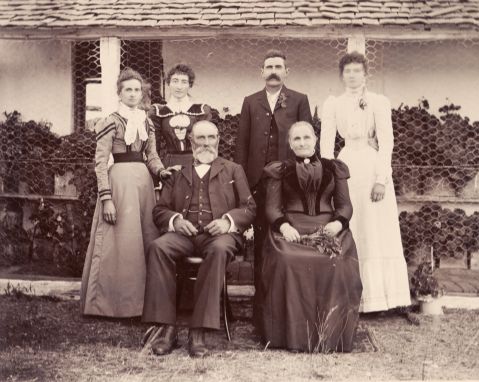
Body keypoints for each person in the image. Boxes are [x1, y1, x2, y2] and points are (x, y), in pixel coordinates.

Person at [142, 120, 256, 357]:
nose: (206, 143)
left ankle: (198, 330)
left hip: (219, 237)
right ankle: (167, 329)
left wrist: (227, 221)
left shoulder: (233, 169)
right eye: (201, 138)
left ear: (218, 140)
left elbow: (249, 208)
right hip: (185, 235)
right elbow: (159, 210)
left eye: (211, 138)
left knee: (218, 250)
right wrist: (176, 220)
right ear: (191, 141)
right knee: (158, 247)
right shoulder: (177, 170)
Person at [320, 52, 411, 313]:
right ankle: (349, 297)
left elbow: (387, 141)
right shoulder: (333, 104)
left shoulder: (378, 102)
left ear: (365, 74)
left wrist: (382, 179)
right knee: (352, 221)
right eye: (347, 71)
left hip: (371, 167)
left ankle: (380, 299)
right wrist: (328, 174)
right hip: (346, 164)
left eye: (357, 70)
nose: (352, 75)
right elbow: (326, 143)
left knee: (374, 226)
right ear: (341, 75)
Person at [259, 121, 362, 352]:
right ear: (290, 143)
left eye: (306, 137)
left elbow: (345, 206)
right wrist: (284, 226)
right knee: (286, 258)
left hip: (328, 228)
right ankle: (290, 335)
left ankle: (332, 334)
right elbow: (272, 208)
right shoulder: (280, 170)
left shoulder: (334, 168)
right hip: (292, 229)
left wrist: (337, 223)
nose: (302, 142)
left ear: (315, 140)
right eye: (296, 139)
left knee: (336, 260)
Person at [81, 68, 172, 317]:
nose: (133, 94)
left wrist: (161, 172)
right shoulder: (110, 121)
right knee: (119, 244)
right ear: (119, 93)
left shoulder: (147, 122)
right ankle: (110, 306)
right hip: (119, 184)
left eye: (137, 89)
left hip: (143, 184)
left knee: (144, 240)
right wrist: (107, 198)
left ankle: (141, 306)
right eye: (128, 90)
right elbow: (100, 163)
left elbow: (151, 155)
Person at [234, 49, 312, 304]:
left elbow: (307, 139)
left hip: (288, 180)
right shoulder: (250, 101)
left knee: (286, 234)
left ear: (286, 72)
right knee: (259, 239)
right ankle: (261, 298)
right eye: (269, 67)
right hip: (257, 182)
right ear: (262, 72)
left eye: (278, 67)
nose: (273, 71)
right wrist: (242, 182)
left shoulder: (299, 100)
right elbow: (242, 144)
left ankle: (286, 297)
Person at [150, 64, 212, 167]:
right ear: (168, 83)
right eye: (175, 81)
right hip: (170, 165)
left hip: (195, 164)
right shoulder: (158, 112)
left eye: (184, 82)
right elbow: (154, 148)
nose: (179, 87)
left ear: (190, 85)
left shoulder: (201, 111)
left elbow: (207, 145)